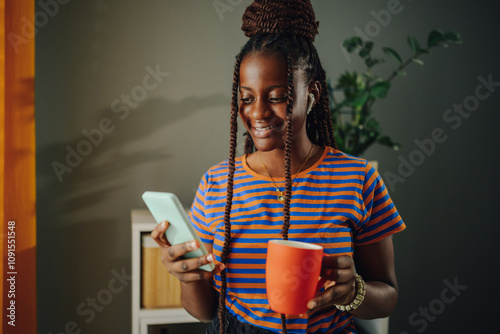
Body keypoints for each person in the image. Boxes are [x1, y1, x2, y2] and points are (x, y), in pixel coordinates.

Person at [151, 0, 406, 333]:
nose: (258, 113)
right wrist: (187, 276)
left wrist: (354, 291)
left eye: (277, 96)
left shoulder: (357, 179)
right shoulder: (217, 183)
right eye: (246, 97)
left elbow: (387, 296)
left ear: (312, 94)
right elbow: (202, 312)